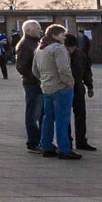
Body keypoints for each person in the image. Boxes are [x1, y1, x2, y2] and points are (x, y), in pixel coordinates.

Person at [33, 25, 80, 160]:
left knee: (48, 118)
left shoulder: (40, 48)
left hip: (46, 88)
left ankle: (46, 146)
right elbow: (64, 69)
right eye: (62, 35)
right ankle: (64, 149)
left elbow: (34, 70)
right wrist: (70, 83)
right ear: (55, 35)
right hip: (61, 88)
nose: (64, 37)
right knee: (62, 119)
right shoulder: (58, 48)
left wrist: (44, 80)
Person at [15, 20, 44, 153]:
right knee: (33, 114)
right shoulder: (25, 45)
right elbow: (21, 66)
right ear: (29, 30)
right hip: (33, 84)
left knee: (42, 113)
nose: (40, 30)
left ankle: (43, 141)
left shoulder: (35, 43)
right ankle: (33, 143)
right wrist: (36, 80)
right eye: (37, 28)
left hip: (39, 83)